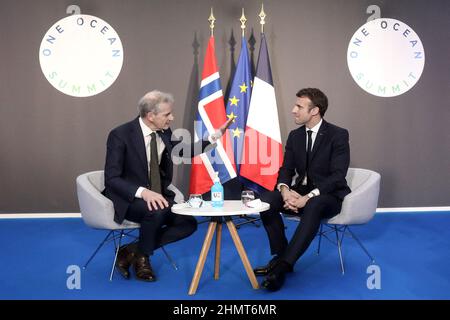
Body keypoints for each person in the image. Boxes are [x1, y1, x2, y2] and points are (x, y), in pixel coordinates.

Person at [103, 90, 231, 282]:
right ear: (150, 116)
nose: (172, 118)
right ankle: (143, 260)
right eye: (167, 114)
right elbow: (111, 178)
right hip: (129, 199)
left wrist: (214, 137)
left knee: (188, 223)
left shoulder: (164, 132)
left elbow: (184, 151)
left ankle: (133, 250)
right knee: (155, 211)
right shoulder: (120, 135)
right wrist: (143, 192)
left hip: (159, 197)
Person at [255, 88, 351, 291]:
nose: (293, 110)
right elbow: (286, 169)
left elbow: (337, 176)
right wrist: (285, 191)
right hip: (299, 192)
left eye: (299, 106)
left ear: (315, 110)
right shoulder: (295, 136)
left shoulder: (338, 135)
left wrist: (308, 197)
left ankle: (281, 267)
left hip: (328, 196)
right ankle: (281, 256)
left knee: (314, 205)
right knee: (266, 201)